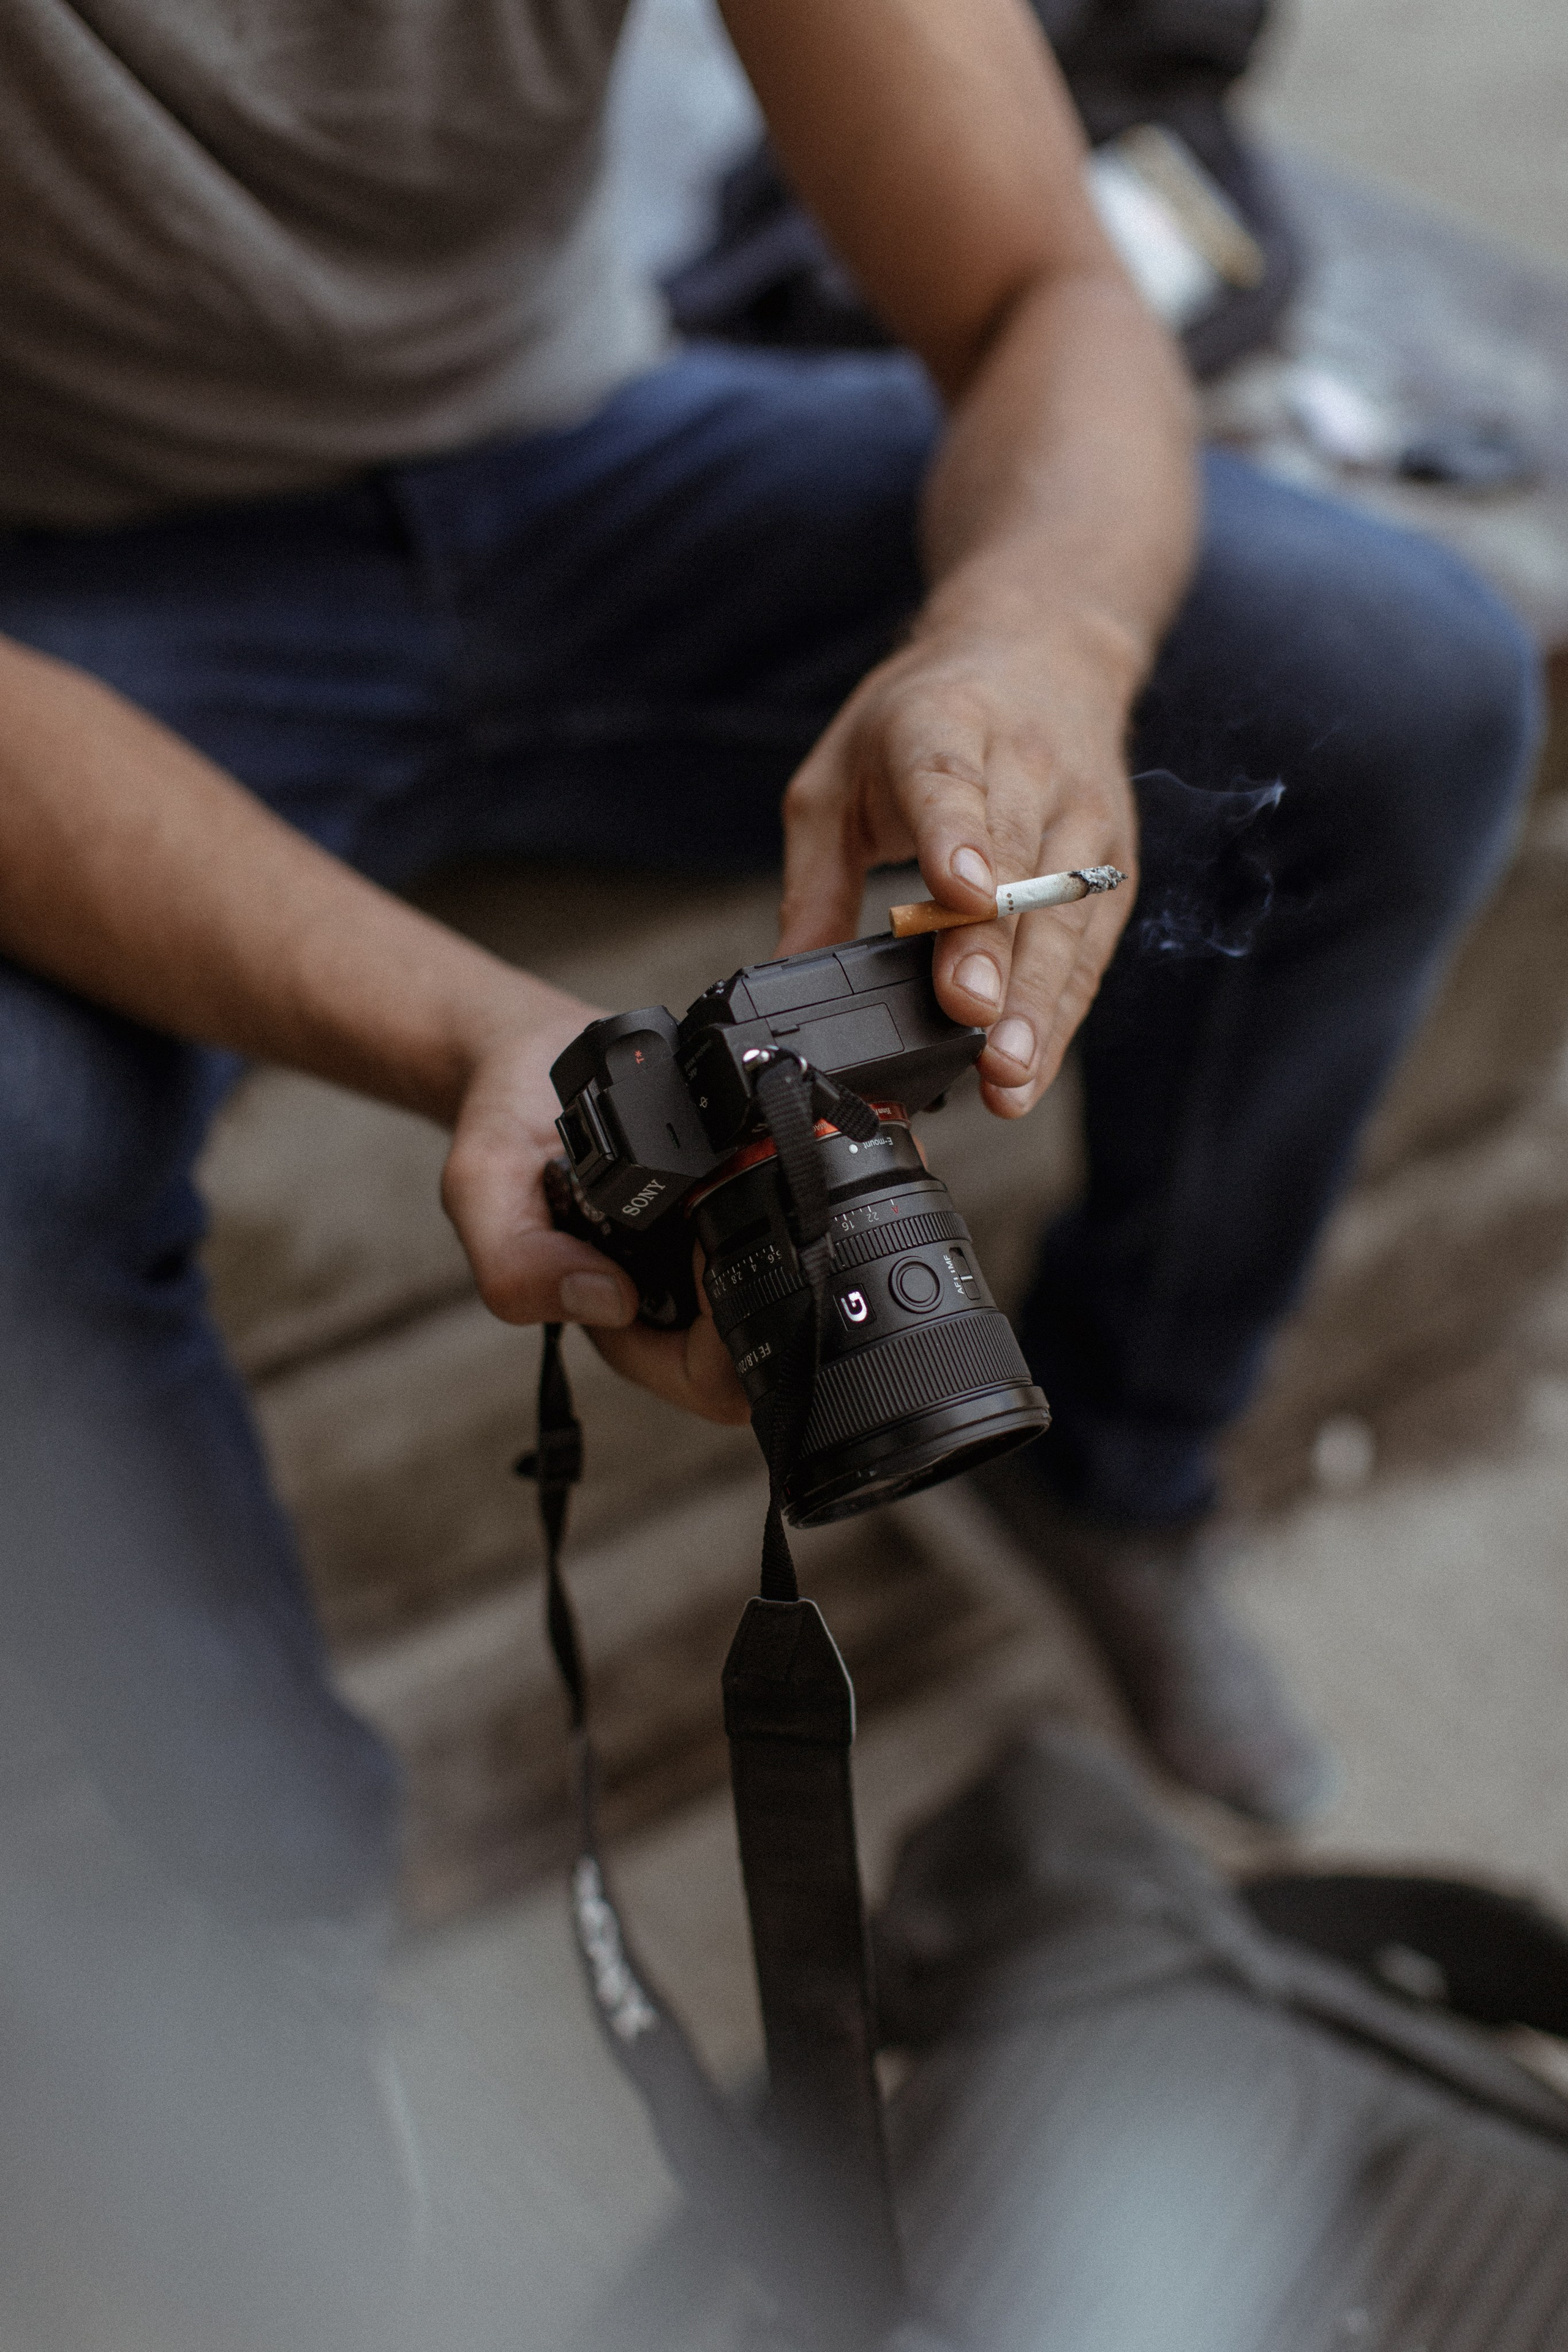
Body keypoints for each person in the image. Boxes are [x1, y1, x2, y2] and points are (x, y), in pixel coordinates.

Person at [0, 0, 1540, 2331]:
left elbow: (1045, 283)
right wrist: (479, 1039)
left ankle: (1114, 1472)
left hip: (582, 448)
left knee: (1404, 675)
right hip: (74, 589)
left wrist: (1031, 644)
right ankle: (272, 1881)